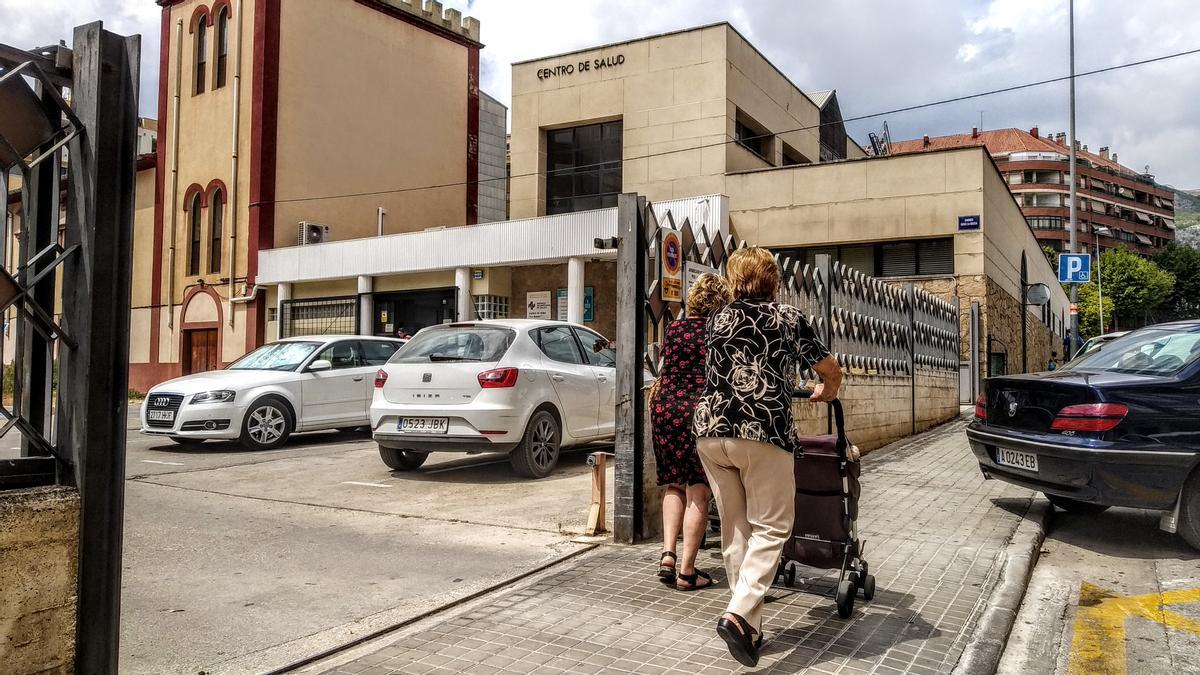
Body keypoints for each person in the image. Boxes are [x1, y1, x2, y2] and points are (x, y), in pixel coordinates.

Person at [694, 247, 842, 668]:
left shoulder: (715, 320)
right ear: (773, 281)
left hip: (710, 432)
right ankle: (738, 614)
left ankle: (749, 630)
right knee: (774, 526)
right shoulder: (787, 318)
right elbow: (829, 368)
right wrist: (827, 389)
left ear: (735, 279)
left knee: (737, 531)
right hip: (762, 430)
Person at [651, 273, 732, 592]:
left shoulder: (674, 328)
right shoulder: (719, 332)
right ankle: (687, 572)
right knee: (699, 490)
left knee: (675, 484)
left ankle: (668, 555)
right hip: (700, 413)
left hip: (665, 410)